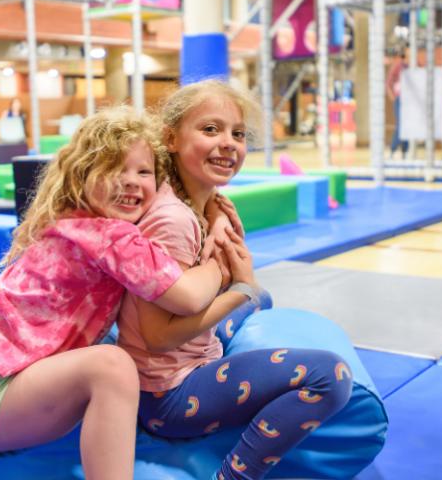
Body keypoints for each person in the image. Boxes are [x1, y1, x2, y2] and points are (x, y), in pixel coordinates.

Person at [0, 106, 235, 480]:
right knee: (112, 365)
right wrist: (225, 265)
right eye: (114, 169)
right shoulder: (108, 236)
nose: (131, 182)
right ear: (81, 176)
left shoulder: (73, 218)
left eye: (143, 171)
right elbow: (189, 297)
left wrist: (217, 215)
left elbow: (190, 196)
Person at [116, 80, 353, 480]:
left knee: (262, 300)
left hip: (181, 366)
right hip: (169, 396)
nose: (228, 143)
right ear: (171, 138)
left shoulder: (199, 202)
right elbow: (157, 337)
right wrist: (241, 287)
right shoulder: (173, 220)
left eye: (238, 134)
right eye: (210, 130)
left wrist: (220, 219)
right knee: (331, 377)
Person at [387, 52, 408, 158]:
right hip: (399, 99)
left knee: (407, 126)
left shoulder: (411, 66)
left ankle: (405, 151)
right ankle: (393, 149)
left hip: (409, 100)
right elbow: (388, 82)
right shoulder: (398, 66)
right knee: (400, 125)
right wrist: (393, 97)